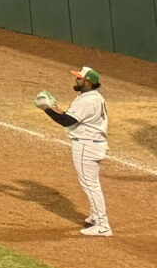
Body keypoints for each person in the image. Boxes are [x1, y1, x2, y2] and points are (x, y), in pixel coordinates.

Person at [38, 67, 112, 235]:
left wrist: (46, 109)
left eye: (79, 78)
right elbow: (70, 117)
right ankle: (95, 217)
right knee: (91, 183)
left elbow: (66, 121)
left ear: (89, 82)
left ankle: (102, 225)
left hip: (87, 145)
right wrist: (55, 108)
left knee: (90, 185)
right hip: (93, 143)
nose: (76, 80)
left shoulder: (87, 100)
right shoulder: (93, 97)